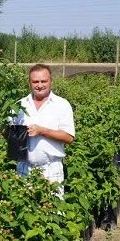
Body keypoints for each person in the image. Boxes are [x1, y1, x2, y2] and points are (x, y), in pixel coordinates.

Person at [13, 64, 75, 193]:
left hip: (51, 170)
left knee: (53, 210)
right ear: (29, 83)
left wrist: (42, 131)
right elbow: (11, 137)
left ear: (50, 81)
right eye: (35, 81)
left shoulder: (61, 105)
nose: (40, 85)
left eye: (43, 81)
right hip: (24, 169)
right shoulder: (19, 105)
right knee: (24, 208)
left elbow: (69, 138)